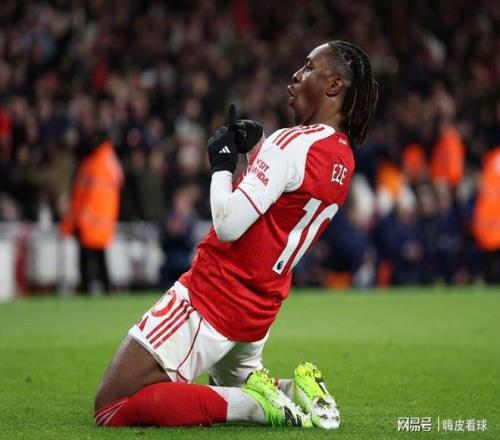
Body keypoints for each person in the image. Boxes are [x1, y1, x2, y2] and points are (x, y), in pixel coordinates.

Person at [94, 40, 378, 429]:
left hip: (214, 294)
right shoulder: (343, 158)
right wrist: (257, 150)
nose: (296, 75)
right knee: (224, 384)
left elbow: (228, 224)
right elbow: (284, 209)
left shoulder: (290, 142)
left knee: (113, 404)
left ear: (334, 86)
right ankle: (293, 392)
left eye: (309, 67)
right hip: (259, 307)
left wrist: (221, 167)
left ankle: (254, 405)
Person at [60, 139, 123, 293]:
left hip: (88, 220)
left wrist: (73, 220)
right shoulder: (109, 161)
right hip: (102, 221)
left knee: (87, 259)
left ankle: (87, 287)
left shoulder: (92, 164)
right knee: (100, 258)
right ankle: (105, 288)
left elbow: (83, 196)